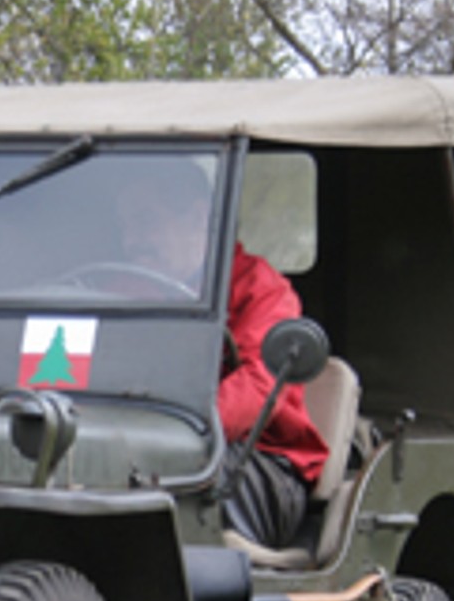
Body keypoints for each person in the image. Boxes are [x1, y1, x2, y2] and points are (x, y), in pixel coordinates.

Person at [115, 164, 328, 549]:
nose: (132, 240)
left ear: (199, 218)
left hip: (255, 461)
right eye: (125, 226)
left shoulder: (261, 289)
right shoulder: (129, 288)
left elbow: (260, 384)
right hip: (140, 446)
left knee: (160, 480)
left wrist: (180, 435)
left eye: (145, 222)